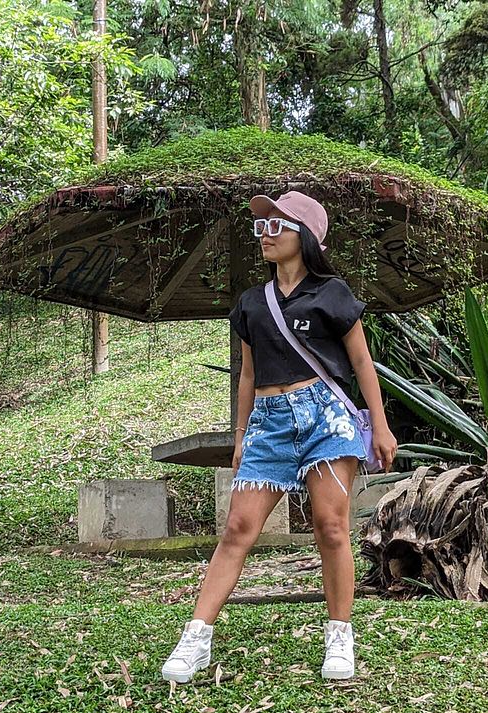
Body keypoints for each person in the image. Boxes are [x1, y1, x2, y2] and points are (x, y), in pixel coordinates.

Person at [161, 190, 398, 684]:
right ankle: (196, 638)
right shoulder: (253, 302)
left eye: (276, 226)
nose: (265, 235)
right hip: (268, 423)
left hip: (326, 418)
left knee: (330, 527)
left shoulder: (332, 293)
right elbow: (247, 375)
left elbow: (361, 362)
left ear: (305, 236)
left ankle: (340, 635)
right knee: (238, 528)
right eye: (261, 227)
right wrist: (242, 435)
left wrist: (379, 424)